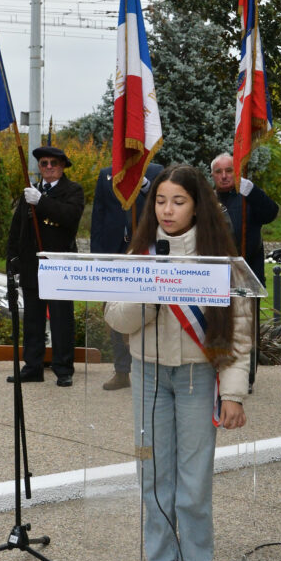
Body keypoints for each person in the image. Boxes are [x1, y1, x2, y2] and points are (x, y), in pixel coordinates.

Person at [104, 164, 252, 561]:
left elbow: (238, 331)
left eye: (179, 201)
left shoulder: (219, 259)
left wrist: (234, 394)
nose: (168, 210)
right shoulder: (139, 253)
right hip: (148, 376)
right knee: (153, 478)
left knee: (193, 484)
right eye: (161, 201)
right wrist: (146, 301)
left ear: (196, 206)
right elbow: (115, 317)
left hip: (197, 378)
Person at [6, 145, 85, 387]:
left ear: (62, 167)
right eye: (44, 164)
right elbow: (18, 228)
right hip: (33, 264)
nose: (48, 167)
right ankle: (33, 366)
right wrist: (13, 258)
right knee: (33, 319)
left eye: (54, 163)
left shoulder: (72, 190)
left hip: (59, 264)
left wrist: (41, 202)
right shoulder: (31, 192)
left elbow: (70, 218)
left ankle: (63, 368)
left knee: (61, 319)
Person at [89, 162, 163, 391]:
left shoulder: (156, 172)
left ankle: (152, 370)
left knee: (148, 309)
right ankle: (122, 370)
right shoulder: (106, 174)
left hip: (145, 249)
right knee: (116, 309)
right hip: (114, 252)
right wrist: (98, 254)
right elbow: (98, 214)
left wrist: (146, 186)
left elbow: (164, 203)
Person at [211, 152, 279, 394]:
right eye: (218, 172)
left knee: (245, 330)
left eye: (229, 170)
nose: (224, 176)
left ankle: (246, 378)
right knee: (217, 327)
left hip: (246, 276)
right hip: (214, 277)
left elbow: (272, 213)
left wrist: (254, 192)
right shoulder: (207, 199)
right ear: (213, 176)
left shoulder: (248, 197)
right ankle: (218, 372)